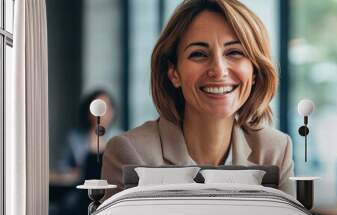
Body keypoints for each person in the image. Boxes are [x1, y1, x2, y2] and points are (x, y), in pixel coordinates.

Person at [101, 0, 294, 201]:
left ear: (254, 71)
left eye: (235, 52)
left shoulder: (276, 149)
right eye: (199, 54)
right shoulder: (130, 153)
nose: (219, 70)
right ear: (174, 72)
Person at [50, 89, 121, 185]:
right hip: (80, 190)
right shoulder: (74, 139)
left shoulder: (120, 138)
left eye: (104, 108)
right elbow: (62, 168)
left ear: (112, 111)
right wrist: (72, 173)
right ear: (88, 110)